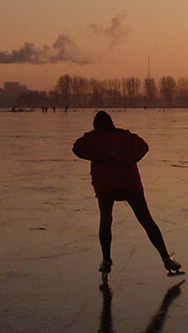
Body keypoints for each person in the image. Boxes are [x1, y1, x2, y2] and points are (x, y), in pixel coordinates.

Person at [73, 111, 182, 276]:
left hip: (105, 185)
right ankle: (166, 258)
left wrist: (95, 149)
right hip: (129, 183)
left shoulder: (93, 140)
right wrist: (130, 158)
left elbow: (77, 147)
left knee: (106, 220)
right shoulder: (125, 136)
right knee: (146, 220)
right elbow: (143, 146)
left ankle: (107, 259)